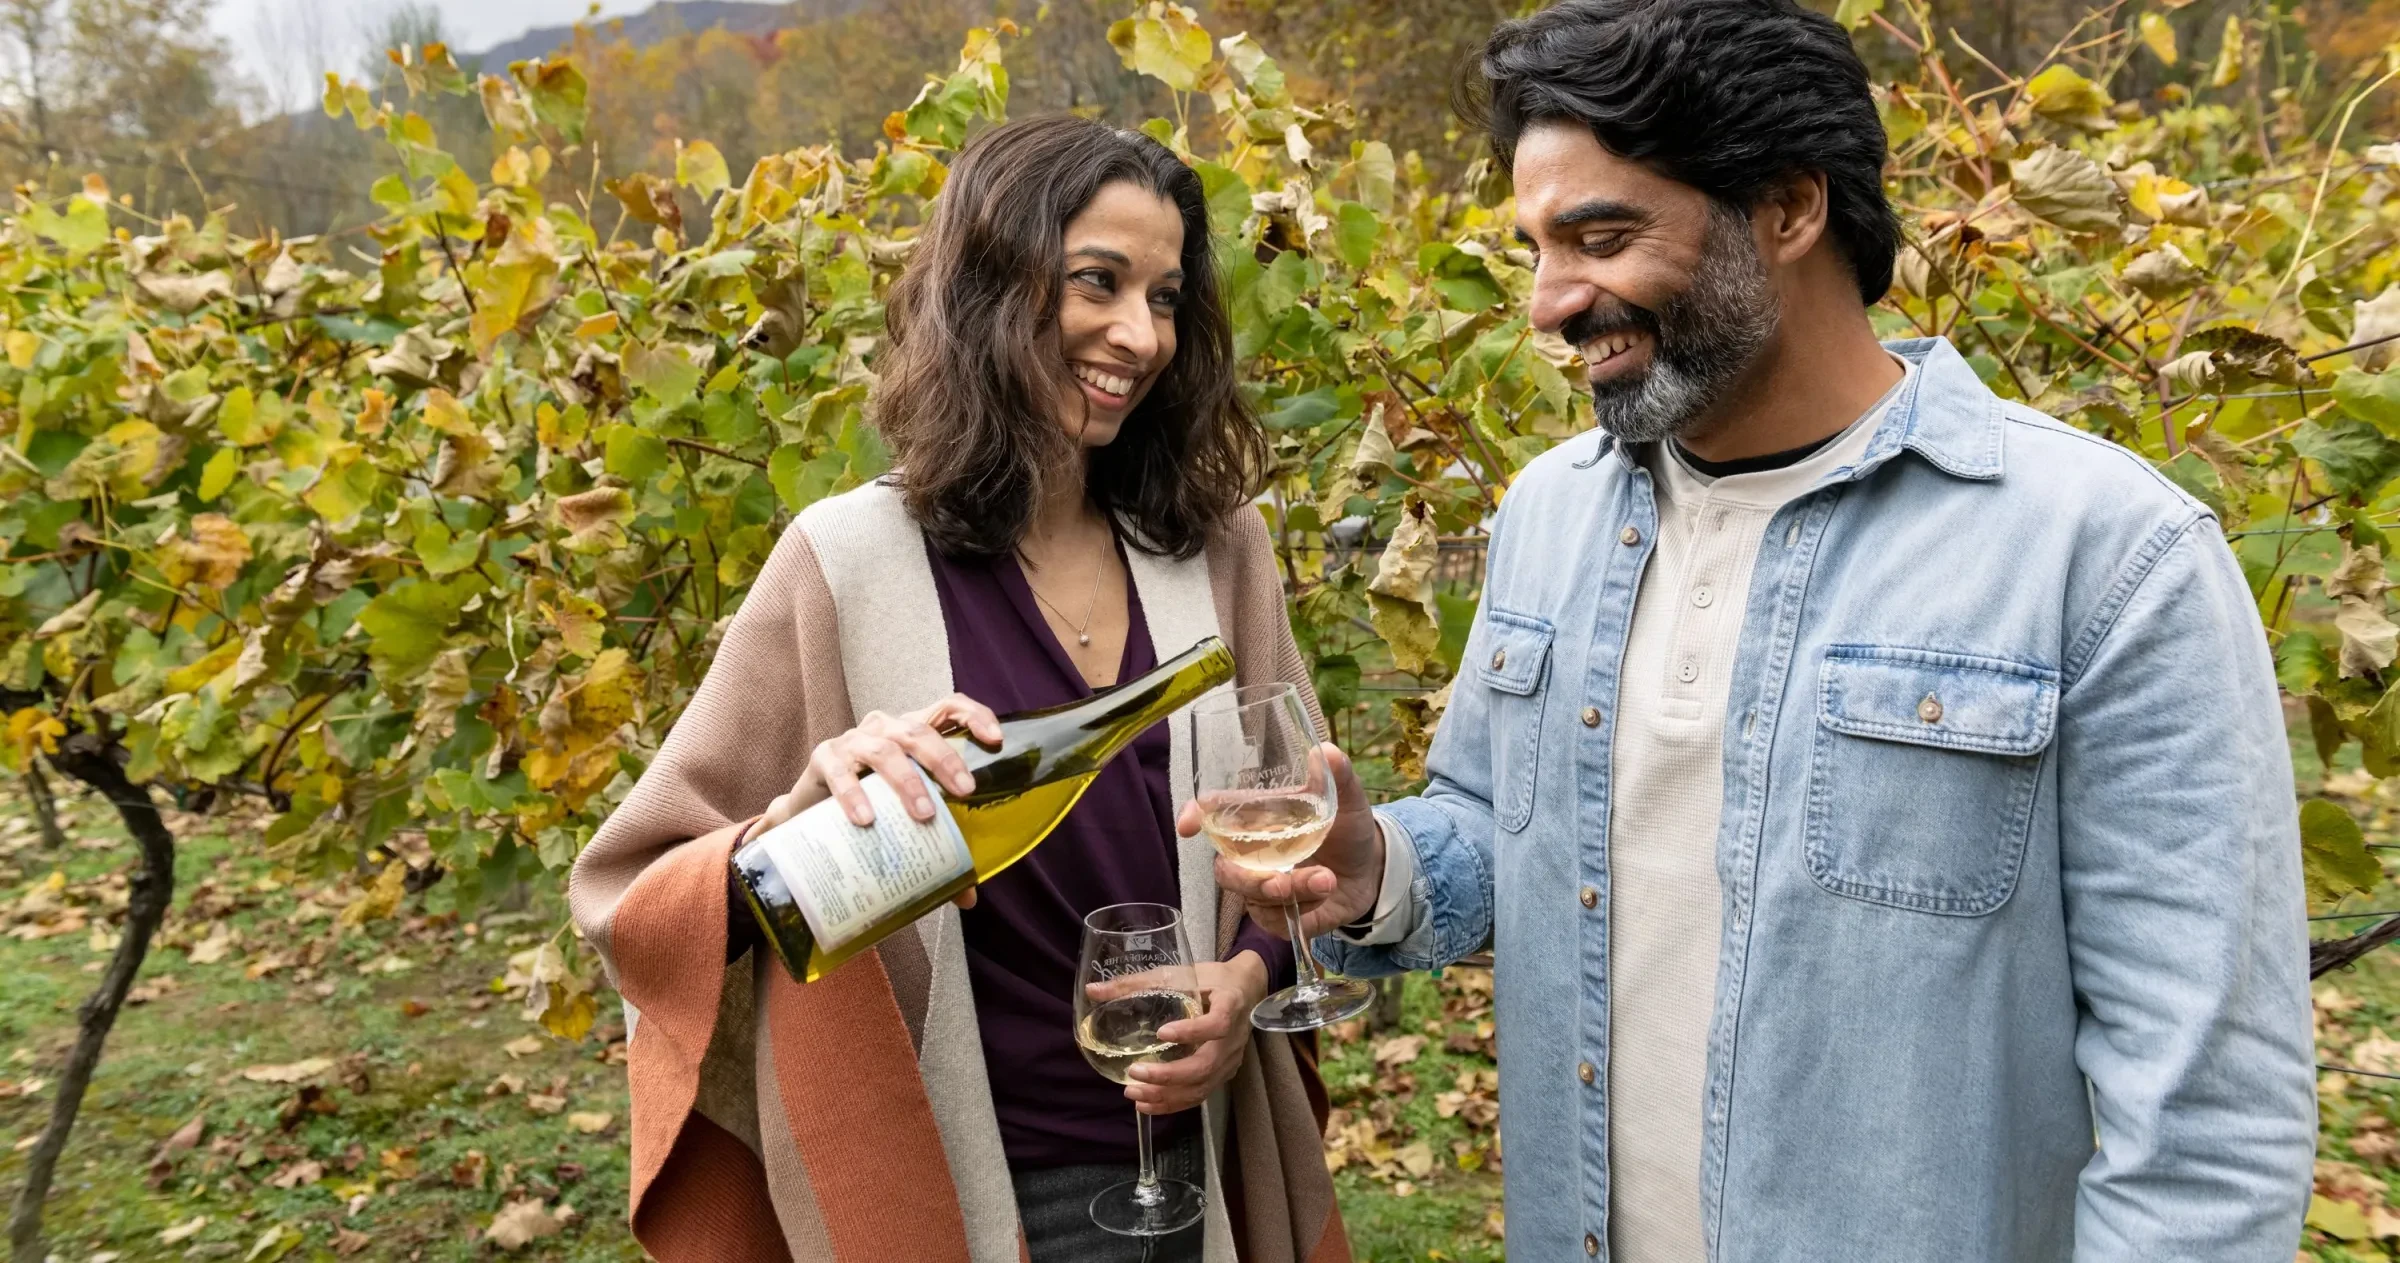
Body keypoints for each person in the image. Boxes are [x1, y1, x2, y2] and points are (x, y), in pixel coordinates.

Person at [1205, 1, 2315, 1258]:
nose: (1549, 302)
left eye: (1602, 237)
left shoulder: (2105, 555)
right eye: (1532, 250)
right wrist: (1379, 871)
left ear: (1789, 209)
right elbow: (1505, 830)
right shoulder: (1548, 520)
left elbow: (2207, 1130)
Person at [570, 115, 1350, 1263]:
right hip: (956, 1186)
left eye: (1169, 297)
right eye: (1099, 282)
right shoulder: (846, 562)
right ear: (991, 287)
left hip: (1195, 1164)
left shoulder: (1216, 548)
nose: (1140, 334)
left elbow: (1298, 853)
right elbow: (630, 891)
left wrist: (1248, 983)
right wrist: (793, 825)